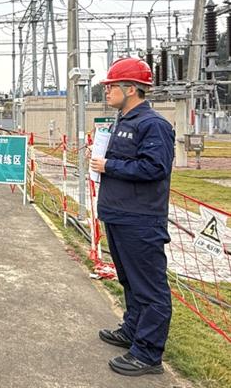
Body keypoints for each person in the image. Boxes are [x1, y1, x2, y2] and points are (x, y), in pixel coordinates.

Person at [89, 57, 174, 377]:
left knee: (149, 288)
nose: (107, 91)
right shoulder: (123, 121)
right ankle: (133, 331)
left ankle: (148, 354)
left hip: (140, 220)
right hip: (119, 215)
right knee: (129, 281)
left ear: (131, 89)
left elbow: (155, 167)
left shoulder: (153, 125)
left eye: (111, 86)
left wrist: (109, 166)